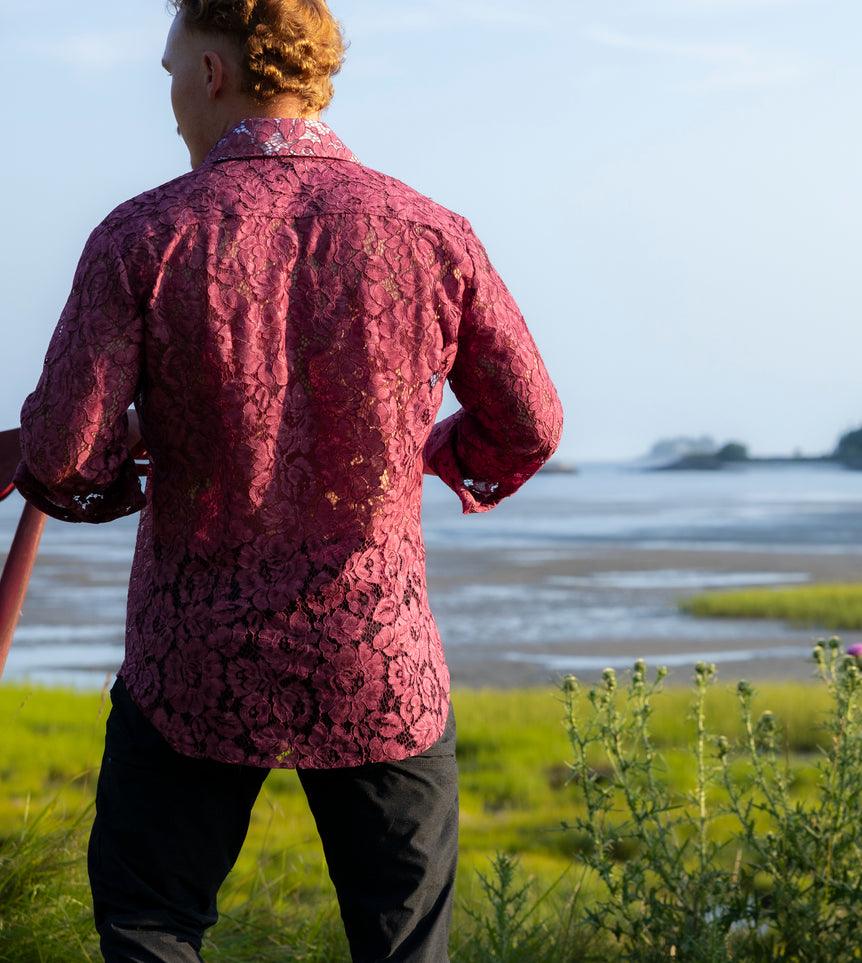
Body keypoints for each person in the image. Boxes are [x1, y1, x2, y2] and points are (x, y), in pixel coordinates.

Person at [12, 1, 562, 959]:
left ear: (216, 76)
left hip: (192, 657)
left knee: (151, 922)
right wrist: (429, 453)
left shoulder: (145, 235)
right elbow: (531, 419)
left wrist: (142, 454)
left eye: (172, 74)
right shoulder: (432, 232)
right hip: (377, 657)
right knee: (402, 947)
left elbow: (61, 452)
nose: (172, 102)